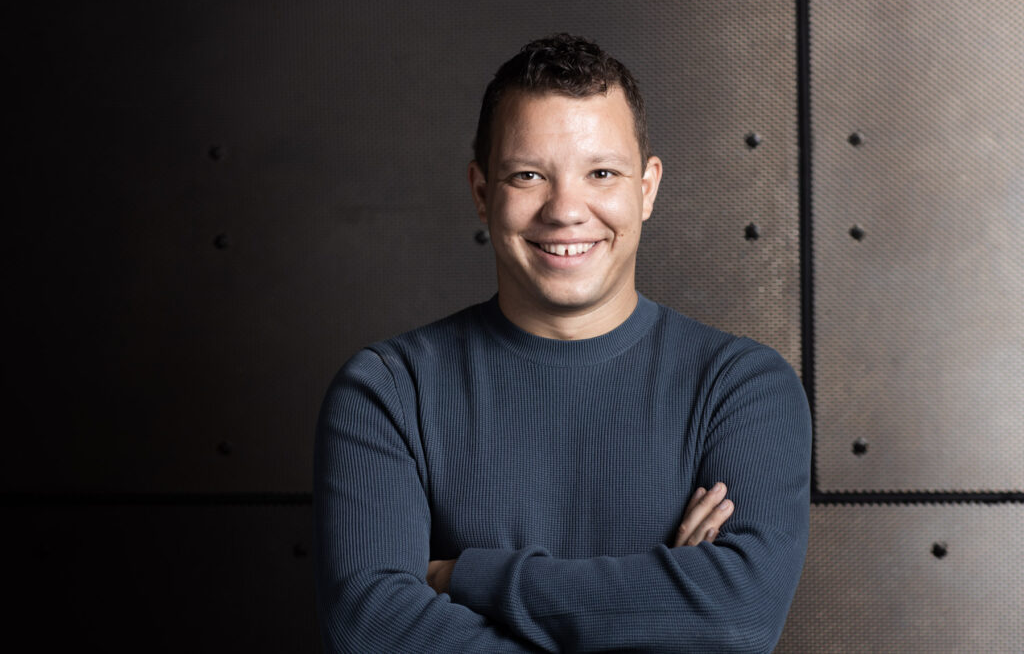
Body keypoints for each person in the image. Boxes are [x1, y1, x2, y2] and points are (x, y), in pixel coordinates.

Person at [314, 34, 811, 653]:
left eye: (601, 173)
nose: (565, 210)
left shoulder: (741, 388)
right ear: (480, 192)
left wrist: (462, 576)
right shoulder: (388, 390)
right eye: (528, 175)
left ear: (647, 188)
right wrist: (665, 611)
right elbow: (373, 629)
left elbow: (740, 617)